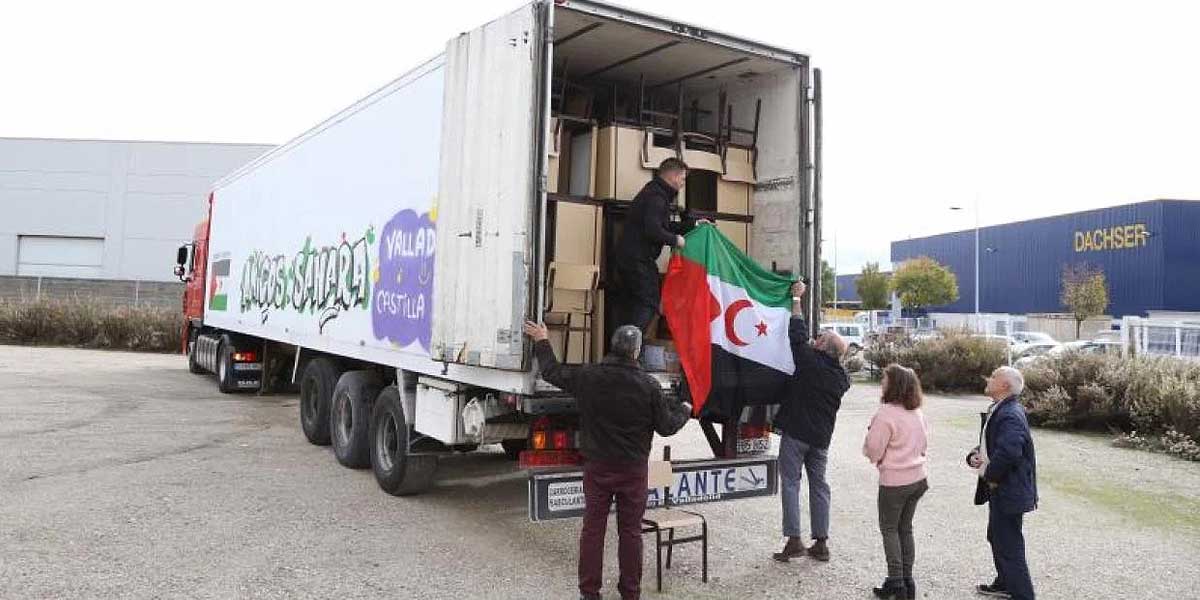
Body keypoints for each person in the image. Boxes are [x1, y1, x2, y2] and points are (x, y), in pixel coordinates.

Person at [523, 320, 691, 600]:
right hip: (633, 471)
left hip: (598, 468)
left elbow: (552, 372)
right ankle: (630, 593)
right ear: (636, 352)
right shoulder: (648, 386)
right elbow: (667, 427)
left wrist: (542, 339)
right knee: (630, 533)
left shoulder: (590, 376)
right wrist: (685, 408)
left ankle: (589, 593)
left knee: (593, 530)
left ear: (612, 347)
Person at [772, 280, 850, 563]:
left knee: (791, 484)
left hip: (796, 435)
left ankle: (794, 540)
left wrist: (796, 300)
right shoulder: (841, 378)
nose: (814, 338)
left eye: (819, 337)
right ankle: (821, 542)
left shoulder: (809, 361)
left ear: (821, 345)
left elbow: (796, 333)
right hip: (821, 440)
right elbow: (806, 340)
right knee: (820, 486)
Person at [967, 366, 1038, 599]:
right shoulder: (1000, 408)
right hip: (1002, 488)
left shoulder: (1010, 414)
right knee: (997, 536)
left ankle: (1023, 595)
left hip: (1008, 489)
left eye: (994, 375)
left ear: (1005, 386)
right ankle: (1005, 583)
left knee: (1009, 545)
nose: (988, 377)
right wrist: (974, 455)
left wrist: (991, 476)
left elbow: (1010, 452)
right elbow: (994, 444)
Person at [863, 364, 931, 600]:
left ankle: (897, 583)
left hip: (895, 481)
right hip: (918, 478)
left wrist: (876, 457)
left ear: (895, 384)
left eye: (885, 379)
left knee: (890, 529)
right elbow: (923, 445)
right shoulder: (917, 412)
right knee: (905, 528)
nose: (882, 382)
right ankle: (907, 581)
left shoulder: (886, 413)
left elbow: (873, 449)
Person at [612, 157, 694, 332]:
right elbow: (653, 230)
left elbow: (663, 226)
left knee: (632, 306)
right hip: (638, 260)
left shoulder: (654, 193)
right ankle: (629, 348)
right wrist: (675, 240)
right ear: (673, 176)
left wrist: (694, 226)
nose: (682, 184)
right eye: (682, 179)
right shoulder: (657, 197)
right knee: (648, 303)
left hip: (630, 258)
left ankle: (623, 349)